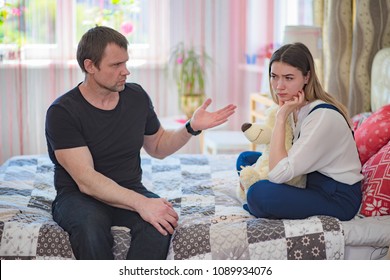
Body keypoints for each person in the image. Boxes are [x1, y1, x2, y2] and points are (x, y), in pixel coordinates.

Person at [45, 26, 236, 260]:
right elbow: (87, 181)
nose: (126, 71)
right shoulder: (63, 112)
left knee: (161, 225)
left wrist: (191, 127)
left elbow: (158, 147)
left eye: (125, 63)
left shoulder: (136, 96)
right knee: (90, 228)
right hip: (78, 197)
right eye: (116, 65)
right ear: (90, 66)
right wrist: (142, 204)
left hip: (128, 188)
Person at [237, 42, 363, 221]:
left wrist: (281, 118)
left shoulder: (322, 116)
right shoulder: (294, 105)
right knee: (245, 159)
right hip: (309, 176)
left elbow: (277, 174)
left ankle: (254, 200)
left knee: (258, 193)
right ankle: (257, 200)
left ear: (306, 77)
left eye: (289, 78)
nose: (279, 86)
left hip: (336, 196)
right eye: (274, 76)